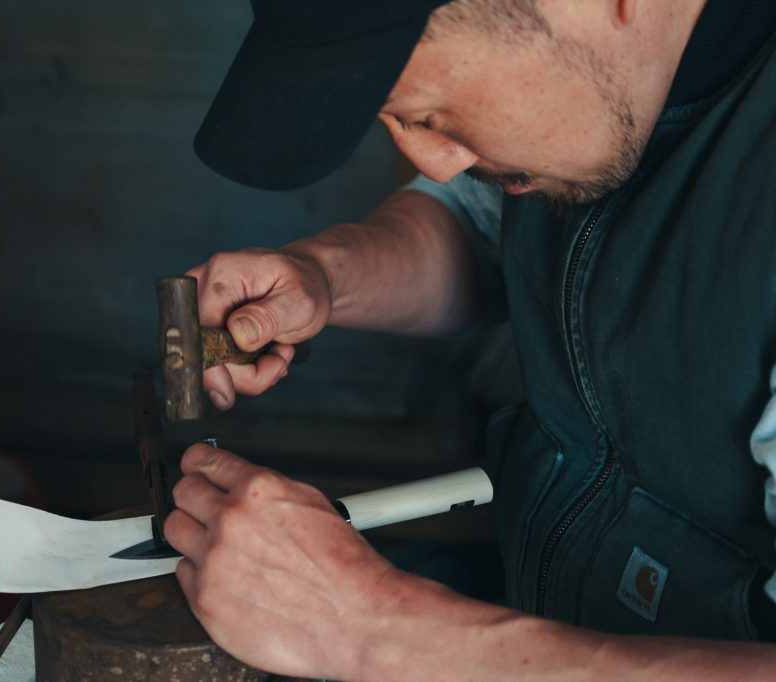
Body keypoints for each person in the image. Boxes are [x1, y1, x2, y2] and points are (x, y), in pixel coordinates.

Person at [162, 0, 776, 679]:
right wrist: (324, 276)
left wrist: (377, 627)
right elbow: (484, 229)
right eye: (397, 120)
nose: (435, 160)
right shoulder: (603, 91)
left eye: (430, 115)